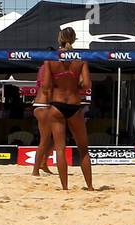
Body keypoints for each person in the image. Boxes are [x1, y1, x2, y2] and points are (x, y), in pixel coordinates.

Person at [37, 27, 92, 190]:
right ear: (74, 39)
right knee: (83, 149)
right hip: (74, 105)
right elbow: (87, 85)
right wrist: (76, 84)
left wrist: (57, 84)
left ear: (59, 39)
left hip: (57, 105)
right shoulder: (81, 59)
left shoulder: (50, 59)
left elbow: (45, 86)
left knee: (60, 148)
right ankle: (89, 187)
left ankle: (65, 188)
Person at [31, 66, 58, 177]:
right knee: (45, 140)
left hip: (42, 105)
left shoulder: (44, 69)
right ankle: (35, 170)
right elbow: (48, 89)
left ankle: (43, 164)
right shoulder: (49, 70)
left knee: (53, 140)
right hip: (44, 106)